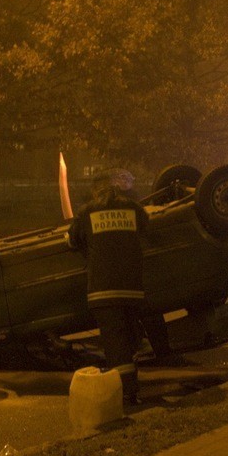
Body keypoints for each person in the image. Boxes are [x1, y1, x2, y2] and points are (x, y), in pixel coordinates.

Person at [68, 169, 149, 404]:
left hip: (103, 291)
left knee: (116, 346)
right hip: (133, 288)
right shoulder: (134, 209)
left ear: (96, 190)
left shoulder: (87, 212)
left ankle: (126, 393)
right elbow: (146, 228)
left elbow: (73, 239)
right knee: (130, 340)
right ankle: (130, 386)